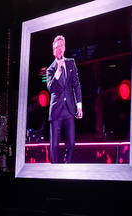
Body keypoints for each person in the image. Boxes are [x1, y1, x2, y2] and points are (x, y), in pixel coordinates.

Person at [46, 35, 83, 163]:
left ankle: (67, 168)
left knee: (72, 143)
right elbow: (50, 88)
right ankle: (54, 172)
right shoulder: (50, 69)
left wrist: (79, 106)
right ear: (53, 50)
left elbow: (76, 84)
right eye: (57, 47)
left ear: (65, 47)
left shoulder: (71, 62)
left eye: (62, 46)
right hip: (56, 110)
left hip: (69, 110)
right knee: (55, 146)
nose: (60, 49)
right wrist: (58, 71)